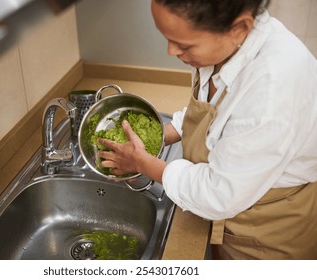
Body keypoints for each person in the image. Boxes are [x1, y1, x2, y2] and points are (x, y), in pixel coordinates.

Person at [97, 0, 317, 260]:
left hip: (267, 233)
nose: (171, 50)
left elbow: (218, 193)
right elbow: (219, 109)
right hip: (236, 207)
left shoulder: (273, 88)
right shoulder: (228, 47)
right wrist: (166, 132)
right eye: (167, 37)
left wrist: (145, 164)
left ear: (239, 28)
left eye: (185, 44)